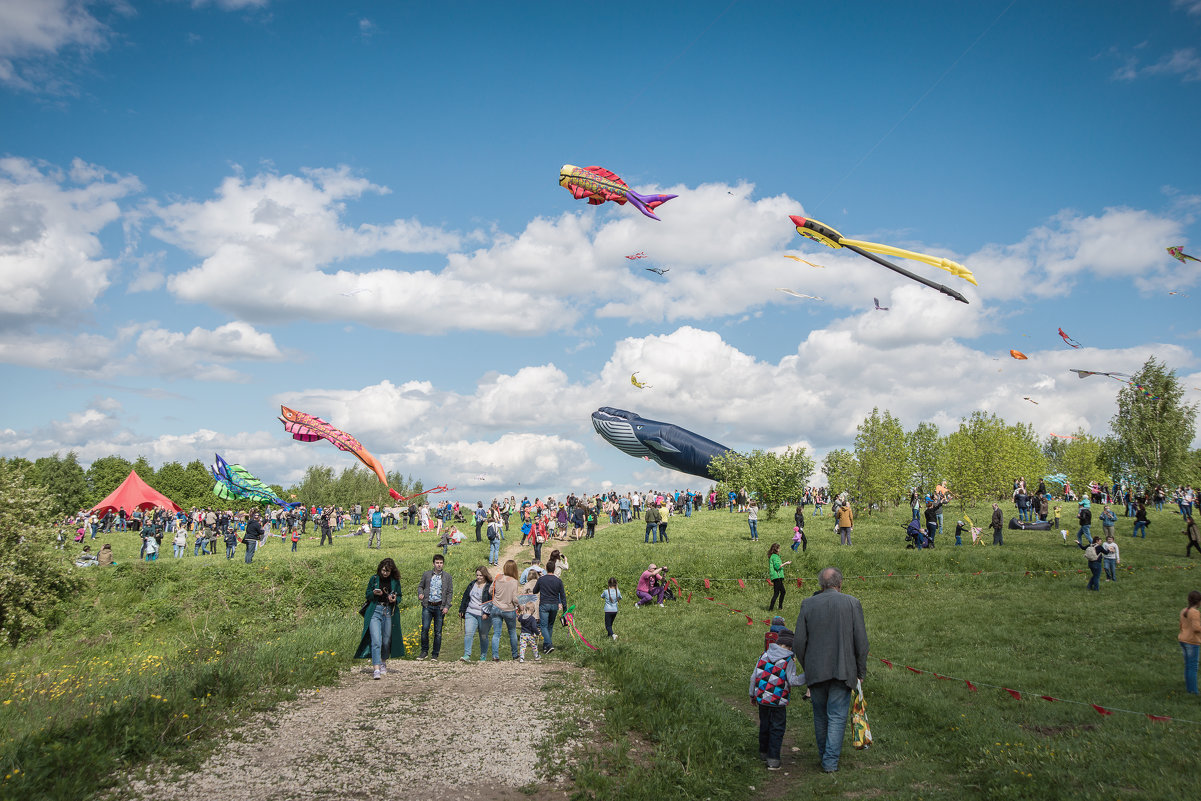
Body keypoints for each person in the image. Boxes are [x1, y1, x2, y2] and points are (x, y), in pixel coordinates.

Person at [793, 567, 868, 774]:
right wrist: (860, 672)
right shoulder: (852, 603)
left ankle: (825, 758)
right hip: (843, 670)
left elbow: (798, 642)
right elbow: (861, 643)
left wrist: (808, 666)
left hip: (816, 671)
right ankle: (829, 762)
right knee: (836, 716)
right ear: (840, 583)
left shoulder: (808, 604)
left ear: (821, 585)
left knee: (820, 716)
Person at [749, 628, 807, 771]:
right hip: (778, 701)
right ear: (790, 647)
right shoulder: (788, 660)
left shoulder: (764, 655)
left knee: (765, 725)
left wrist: (752, 694)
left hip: (762, 698)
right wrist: (808, 675)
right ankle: (773, 759)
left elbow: (753, 677)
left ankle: (763, 752)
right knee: (777, 728)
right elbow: (793, 681)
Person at [354, 557, 403, 679]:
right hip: (375, 611)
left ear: (392, 571)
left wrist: (395, 599)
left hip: (388, 612)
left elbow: (400, 596)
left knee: (386, 640)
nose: (384, 573)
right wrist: (374, 594)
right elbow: (367, 594)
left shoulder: (395, 581)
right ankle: (376, 668)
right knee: (376, 640)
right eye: (383, 570)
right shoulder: (374, 579)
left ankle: (383, 661)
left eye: (387, 571)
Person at [417, 554, 453, 660]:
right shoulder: (427, 574)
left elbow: (449, 592)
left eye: (441, 563)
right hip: (428, 605)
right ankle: (424, 651)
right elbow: (420, 586)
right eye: (437, 563)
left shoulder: (447, 577)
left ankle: (435, 654)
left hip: (440, 607)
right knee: (425, 629)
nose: (439, 565)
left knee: (438, 632)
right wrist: (420, 594)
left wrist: (447, 606)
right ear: (433, 564)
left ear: (443, 564)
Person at [458, 565, 493, 663]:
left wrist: (487, 613)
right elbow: (465, 597)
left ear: (485, 575)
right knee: (468, 633)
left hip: (483, 614)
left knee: (483, 635)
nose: (478, 577)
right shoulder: (472, 584)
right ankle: (466, 654)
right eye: (477, 575)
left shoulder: (489, 586)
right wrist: (462, 610)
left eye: (481, 575)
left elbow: (491, 601)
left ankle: (483, 656)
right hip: (471, 612)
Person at [490, 560, 521, 660]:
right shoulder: (514, 581)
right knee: (512, 632)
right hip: (508, 609)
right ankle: (515, 654)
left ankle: (495, 655)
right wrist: (520, 606)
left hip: (496, 607)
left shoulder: (498, 577)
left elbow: (490, 590)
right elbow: (514, 598)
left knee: (496, 633)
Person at [532, 567, 567, 653]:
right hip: (554, 605)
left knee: (543, 626)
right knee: (550, 625)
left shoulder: (541, 579)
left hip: (544, 605)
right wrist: (565, 609)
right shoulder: (558, 581)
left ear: (546, 569)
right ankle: (546, 647)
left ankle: (549, 644)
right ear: (554, 569)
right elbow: (563, 596)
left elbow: (534, 591)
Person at [1179, 590, 1201, 695]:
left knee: (1188, 665)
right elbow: (1196, 628)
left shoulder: (1184, 611)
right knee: (1193, 666)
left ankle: (1189, 688)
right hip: (1192, 642)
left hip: (1183, 640)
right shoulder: (1195, 613)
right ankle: (1193, 691)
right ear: (1199, 602)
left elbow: (1181, 625)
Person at [767, 543, 791, 611]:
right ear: (776, 549)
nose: (779, 549)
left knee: (782, 592)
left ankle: (779, 607)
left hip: (778, 577)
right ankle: (771, 609)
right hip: (777, 577)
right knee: (777, 593)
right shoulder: (774, 556)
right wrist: (786, 563)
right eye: (779, 548)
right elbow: (777, 566)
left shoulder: (775, 556)